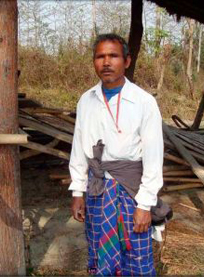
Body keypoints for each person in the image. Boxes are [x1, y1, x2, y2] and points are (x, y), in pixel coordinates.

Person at [69, 33, 166, 276]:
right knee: (99, 247)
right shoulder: (86, 100)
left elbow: (154, 158)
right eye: (100, 56)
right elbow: (79, 149)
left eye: (113, 56)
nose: (106, 62)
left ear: (127, 61)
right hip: (97, 190)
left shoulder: (144, 102)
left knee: (135, 252)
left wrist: (145, 204)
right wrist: (78, 191)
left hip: (131, 192)